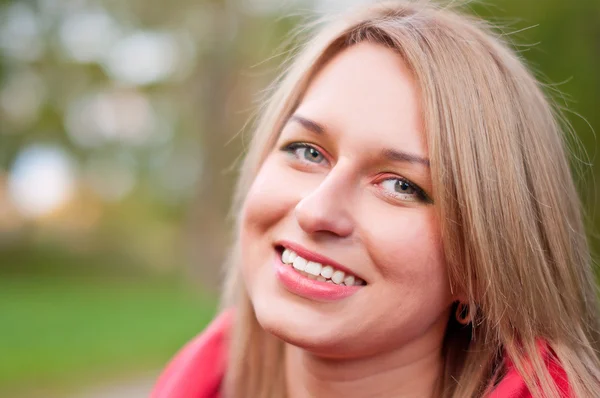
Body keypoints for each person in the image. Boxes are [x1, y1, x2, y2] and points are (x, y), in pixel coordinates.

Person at [151, 1, 600, 397]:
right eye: (307, 151)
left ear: (483, 265)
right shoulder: (192, 383)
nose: (316, 211)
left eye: (401, 185)